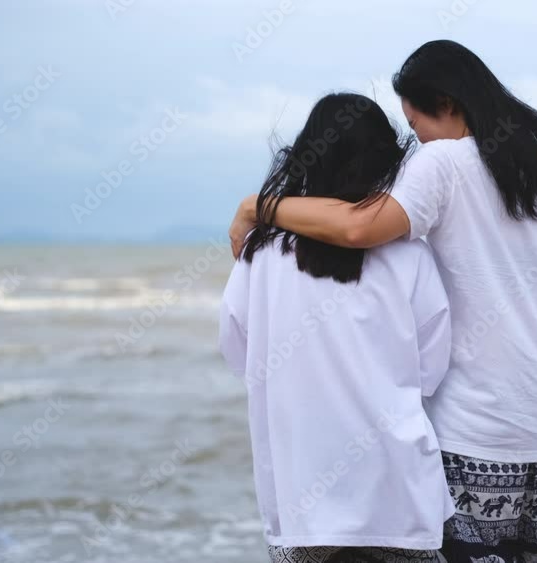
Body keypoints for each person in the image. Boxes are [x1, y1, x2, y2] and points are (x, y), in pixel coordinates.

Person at [229, 41, 537, 563]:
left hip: (473, 430)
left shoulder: (445, 161)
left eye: (415, 122)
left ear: (446, 104)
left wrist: (258, 206)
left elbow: (358, 228)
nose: (416, 140)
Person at [219, 92, 455, 563]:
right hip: (399, 495)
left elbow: (238, 351)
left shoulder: (260, 253)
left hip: (301, 498)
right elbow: (431, 370)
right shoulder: (411, 254)